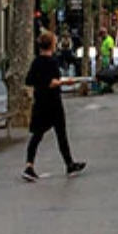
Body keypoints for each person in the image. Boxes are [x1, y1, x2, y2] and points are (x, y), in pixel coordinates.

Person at [23, 30, 87, 183]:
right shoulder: (52, 62)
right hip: (53, 102)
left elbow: (29, 80)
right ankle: (69, 164)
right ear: (52, 45)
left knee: (37, 135)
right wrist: (66, 82)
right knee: (61, 134)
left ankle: (29, 165)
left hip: (40, 102)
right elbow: (52, 82)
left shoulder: (36, 62)